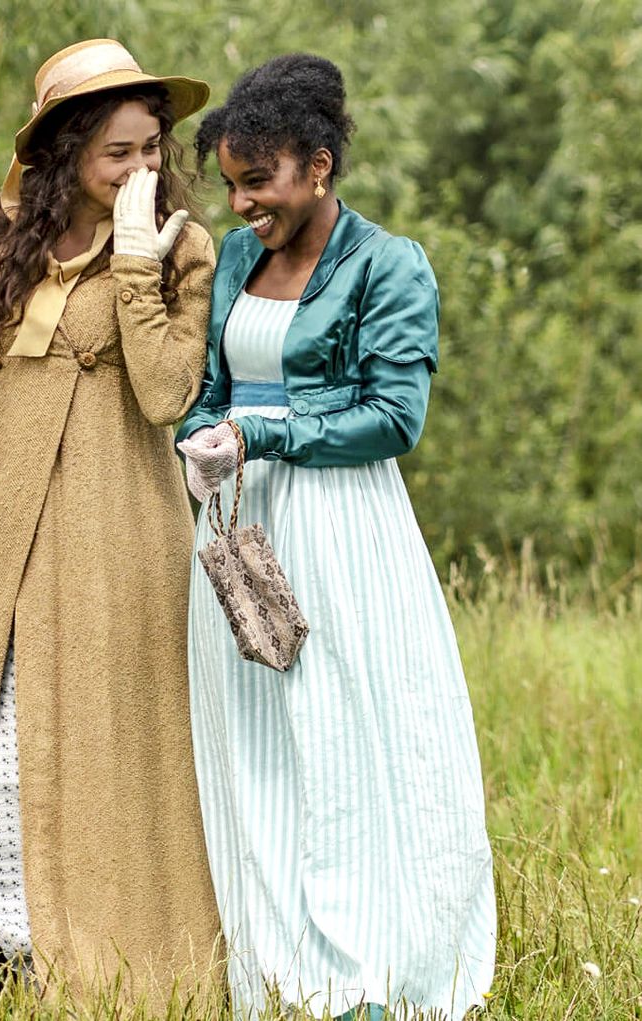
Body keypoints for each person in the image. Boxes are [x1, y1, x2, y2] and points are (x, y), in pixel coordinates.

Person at [176, 54, 496, 1021]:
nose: (239, 204)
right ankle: (283, 972)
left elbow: (394, 414)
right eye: (229, 183)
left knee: (347, 736)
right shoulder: (236, 260)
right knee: (256, 743)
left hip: (343, 526)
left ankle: (372, 966)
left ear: (317, 166)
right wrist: (199, 433)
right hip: (238, 527)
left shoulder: (387, 262)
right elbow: (213, 386)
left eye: (257, 180)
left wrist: (265, 433)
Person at [0, 39, 220, 1006]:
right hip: (1, 534)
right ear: (64, 149)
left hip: (119, 539)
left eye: (152, 149)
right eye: (117, 153)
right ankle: (3, 947)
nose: (141, 170)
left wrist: (134, 262)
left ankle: (116, 961)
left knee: (110, 748)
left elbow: (170, 394)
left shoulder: (180, 247)